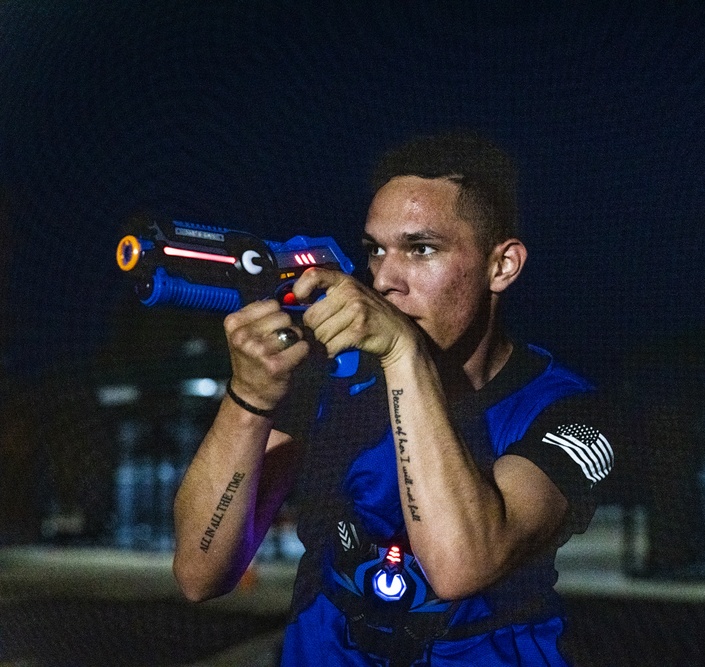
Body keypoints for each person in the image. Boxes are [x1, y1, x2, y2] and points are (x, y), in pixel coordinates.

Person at [172, 131, 614, 665]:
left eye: (421, 249)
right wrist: (250, 397)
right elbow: (199, 573)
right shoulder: (330, 379)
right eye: (375, 250)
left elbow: (459, 565)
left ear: (503, 266)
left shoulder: (571, 411)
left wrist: (404, 354)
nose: (384, 280)